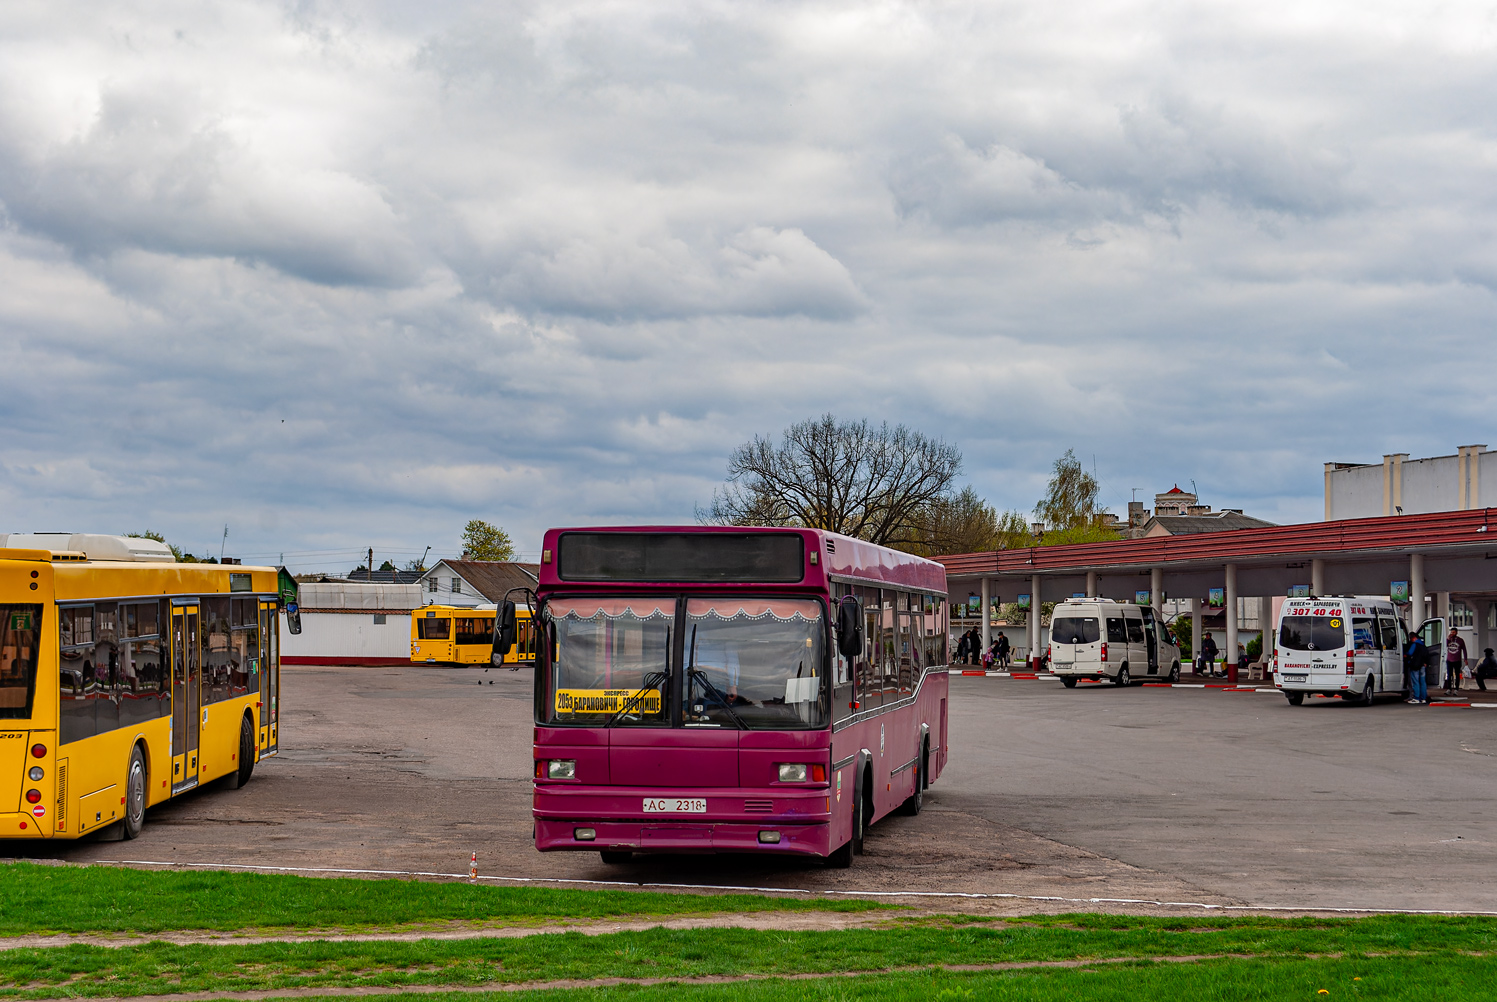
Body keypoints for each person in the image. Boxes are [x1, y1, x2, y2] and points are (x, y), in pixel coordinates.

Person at [1405, 632, 1429, 704]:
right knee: (1423, 682)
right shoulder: (1423, 645)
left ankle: (1416, 698)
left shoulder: (1414, 644)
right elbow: (1426, 654)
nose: (1411, 640)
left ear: (1413, 638)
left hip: (1415, 665)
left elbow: (1410, 653)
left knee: (1415, 682)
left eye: (1411, 638)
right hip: (1422, 665)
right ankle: (1423, 698)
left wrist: (1405, 655)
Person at [1444, 627, 1468, 695]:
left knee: (1457, 675)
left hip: (1457, 660)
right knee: (1449, 675)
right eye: (1451, 632)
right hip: (1449, 660)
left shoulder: (1460, 640)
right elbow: (1444, 646)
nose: (1452, 633)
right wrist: (1448, 639)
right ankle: (1449, 689)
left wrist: (1465, 659)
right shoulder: (1449, 639)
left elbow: (1464, 650)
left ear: (1457, 632)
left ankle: (1456, 689)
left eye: (1454, 632)